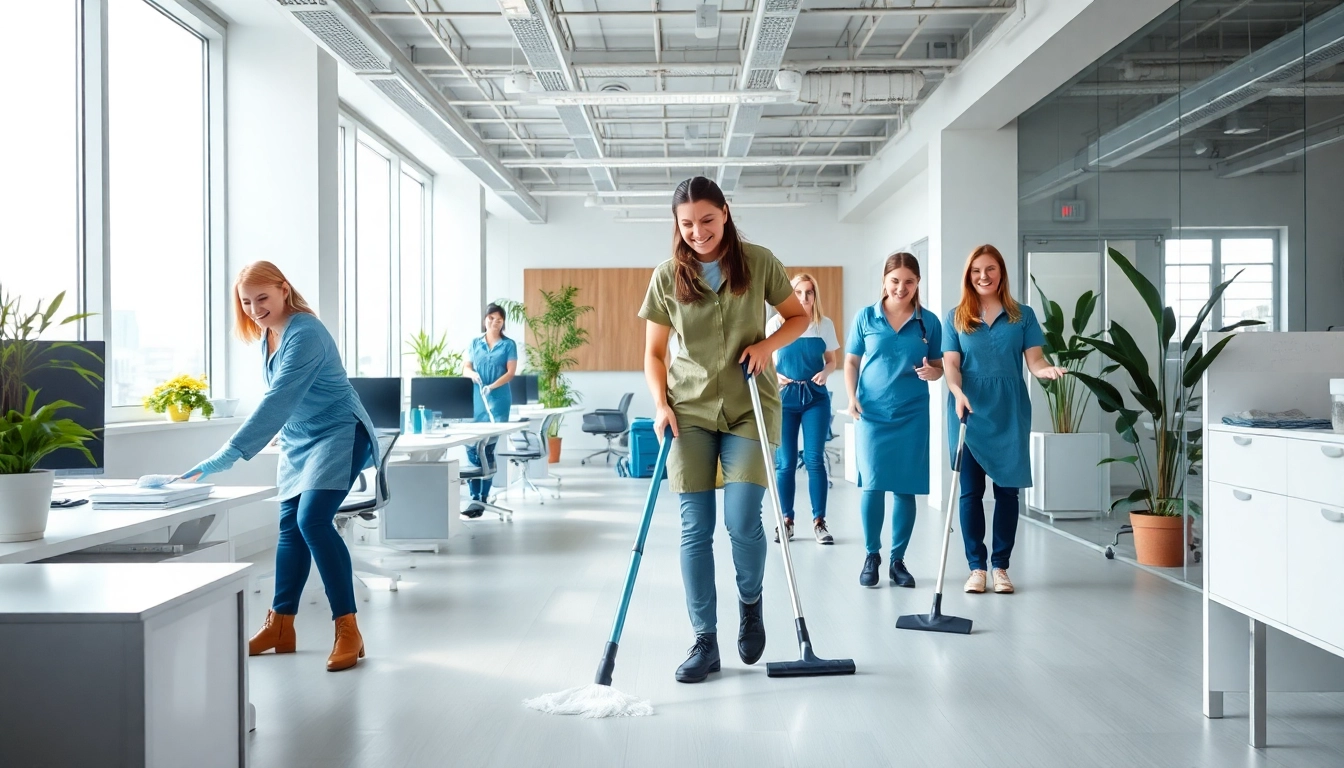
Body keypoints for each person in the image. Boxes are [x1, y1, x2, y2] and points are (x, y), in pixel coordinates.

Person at [640, 176, 808, 684]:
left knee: (741, 519)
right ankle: (705, 640)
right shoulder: (667, 276)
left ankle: (751, 602)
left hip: (749, 406)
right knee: (695, 528)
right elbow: (652, 353)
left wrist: (767, 345)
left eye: (707, 220)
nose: (698, 232)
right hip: (687, 410)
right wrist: (659, 404)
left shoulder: (758, 262)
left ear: (726, 213)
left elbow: (798, 317)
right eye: (687, 223)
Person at [182, 261, 379, 672]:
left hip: (340, 431)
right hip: (299, 438)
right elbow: (289, 401)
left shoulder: (305, 332)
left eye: (263, 298)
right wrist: (280, 430)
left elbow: (280, 398)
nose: (255, 309)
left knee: (313, 521)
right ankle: (280, 625)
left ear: (284, 289)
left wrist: (229, 453)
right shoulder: (269, 334)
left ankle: (348, 629)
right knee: (289, 526)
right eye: (247, 302)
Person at [942, 244, 1066, 595]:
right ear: (969, 275)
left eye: (991, 269)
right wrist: (957, 392)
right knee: (970, 492)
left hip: (1009, 409)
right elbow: (951, 364)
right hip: (969, 407)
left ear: (1001, 273)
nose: (984, 276)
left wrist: (1047, 370)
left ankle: (1001, 567)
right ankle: (976, 568)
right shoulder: (955, 316)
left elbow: (1035, 361)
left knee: (1007, 492)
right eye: (977, 270)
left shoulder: (1021, 315)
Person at [843, 252, 943, 589]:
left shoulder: (929, 322)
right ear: (885, 281)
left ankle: (898, 561)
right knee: (872, 484)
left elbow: (940, 365)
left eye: (909, 282)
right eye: (895, 280)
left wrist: (935, 371)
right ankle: (872, 555)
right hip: (872, 412)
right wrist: (852, 396)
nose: (901, 288)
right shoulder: (865, 318)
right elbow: (851, 361)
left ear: (918, 284)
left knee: (905, 488)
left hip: (912, 412)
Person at [767, 273, 839, 545]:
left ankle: (819, 522)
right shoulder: (776, 324)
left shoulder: (824, 325)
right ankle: (786, 521)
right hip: (785, 400)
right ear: (791, 295)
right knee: (785, 463)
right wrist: (774, 376)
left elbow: (832, 360)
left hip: (815, 399)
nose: (804, 298)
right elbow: (765, 361)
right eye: (799, 292)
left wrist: (826, 371)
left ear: (815, 296)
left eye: (809, 292)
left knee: (814, 459)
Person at [461, 303, 518, 518]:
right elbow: (466, 367)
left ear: (503, 322)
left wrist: (492, 386)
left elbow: (511, 372)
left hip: (498, 400)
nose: (494, 322)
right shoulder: (475, 343)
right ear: (484, 319)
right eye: (491, 318)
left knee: (487, 448)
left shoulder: (508, 345)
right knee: (471, 447)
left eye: (499, 319)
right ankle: (474, 496)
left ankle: (481, 498)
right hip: (476, 399)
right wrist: (472, 375)